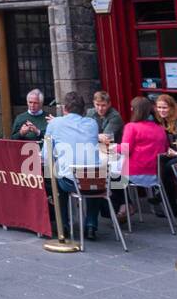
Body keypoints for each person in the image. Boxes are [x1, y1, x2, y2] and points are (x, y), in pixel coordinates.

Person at [46, 92, 109, 240]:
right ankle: (91, 225)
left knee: (56, 181)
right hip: (96, 181)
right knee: (92, 177)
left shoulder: (55, 123)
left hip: (70, 181)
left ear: (64, 109)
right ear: (84, 110)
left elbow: (46, 155)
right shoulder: (92, 124)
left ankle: (64, 226)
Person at [116, 97, 170, 218]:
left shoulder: (131, 127)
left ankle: (124, 208)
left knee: (111, 179)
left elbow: (125, 150)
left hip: (134, 174)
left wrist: (109, 147)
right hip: (156, 175)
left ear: (134, 110)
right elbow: (166, 149)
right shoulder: (160, 128)